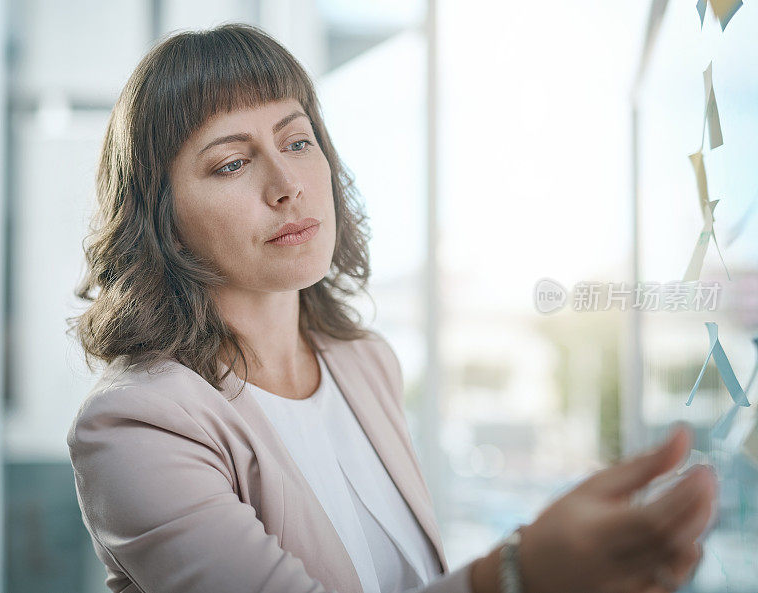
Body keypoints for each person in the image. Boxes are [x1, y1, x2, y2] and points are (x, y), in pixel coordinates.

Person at [66, 22, 718, 593]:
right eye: (233, 162)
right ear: (163, 222)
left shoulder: (365, 361)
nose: (288, 184)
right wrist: (520, 575)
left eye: (297, 142)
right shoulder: (134, 425)